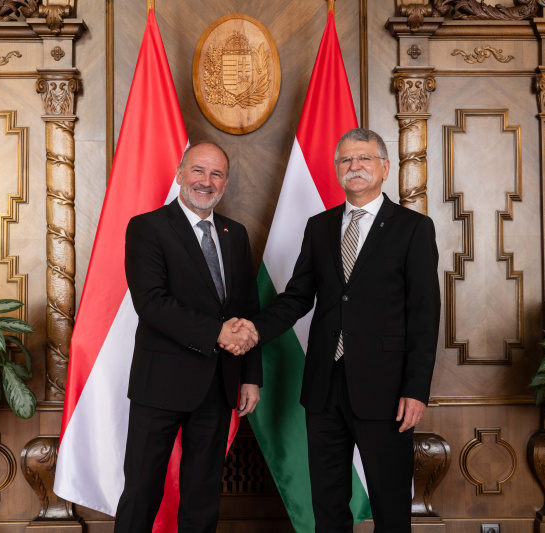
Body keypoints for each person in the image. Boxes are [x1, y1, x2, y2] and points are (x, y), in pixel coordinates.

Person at [227, 128, 440, 532]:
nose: (354, 166)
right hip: (324, 384)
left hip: (387, 388)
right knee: (327, 503)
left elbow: (424, 314)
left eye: (364, 158)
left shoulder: (413, 228)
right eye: (346, 160)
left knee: (390, 504)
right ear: (337, 170)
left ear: (385, 167)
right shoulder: (320, 226)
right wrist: (252, 329)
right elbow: (296, 297)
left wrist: (416, 389)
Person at [114, 140, 262, 533]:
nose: (206, 181)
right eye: (198, 170)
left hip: (218, 384)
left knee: (203, 495)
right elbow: (151, 303)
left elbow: (248, 309)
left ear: (225, 183)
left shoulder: (235, 233)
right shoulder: (147, 227)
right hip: (159, 384)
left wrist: (250, 376)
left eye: (216, 174)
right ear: (180, 174)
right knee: (141, 492)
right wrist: (217, 331)